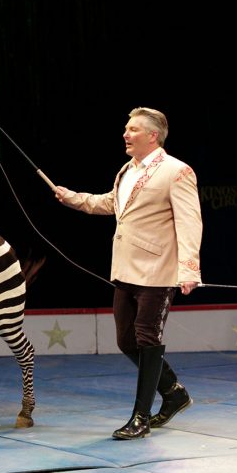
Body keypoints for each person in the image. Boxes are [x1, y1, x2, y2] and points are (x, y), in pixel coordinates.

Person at [54, 107, 202, 440]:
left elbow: (190, 221)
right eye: (126, 128)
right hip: (126, 268)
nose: (125, 134)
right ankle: (175, 394)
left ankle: (141, 417)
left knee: (147, 338)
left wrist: (189, 267)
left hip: (159, 271)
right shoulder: (127, 170)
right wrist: (74, 199)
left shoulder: (177, 171)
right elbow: (113, 204)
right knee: (126, 341)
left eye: (132, 129)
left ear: (153, 136)